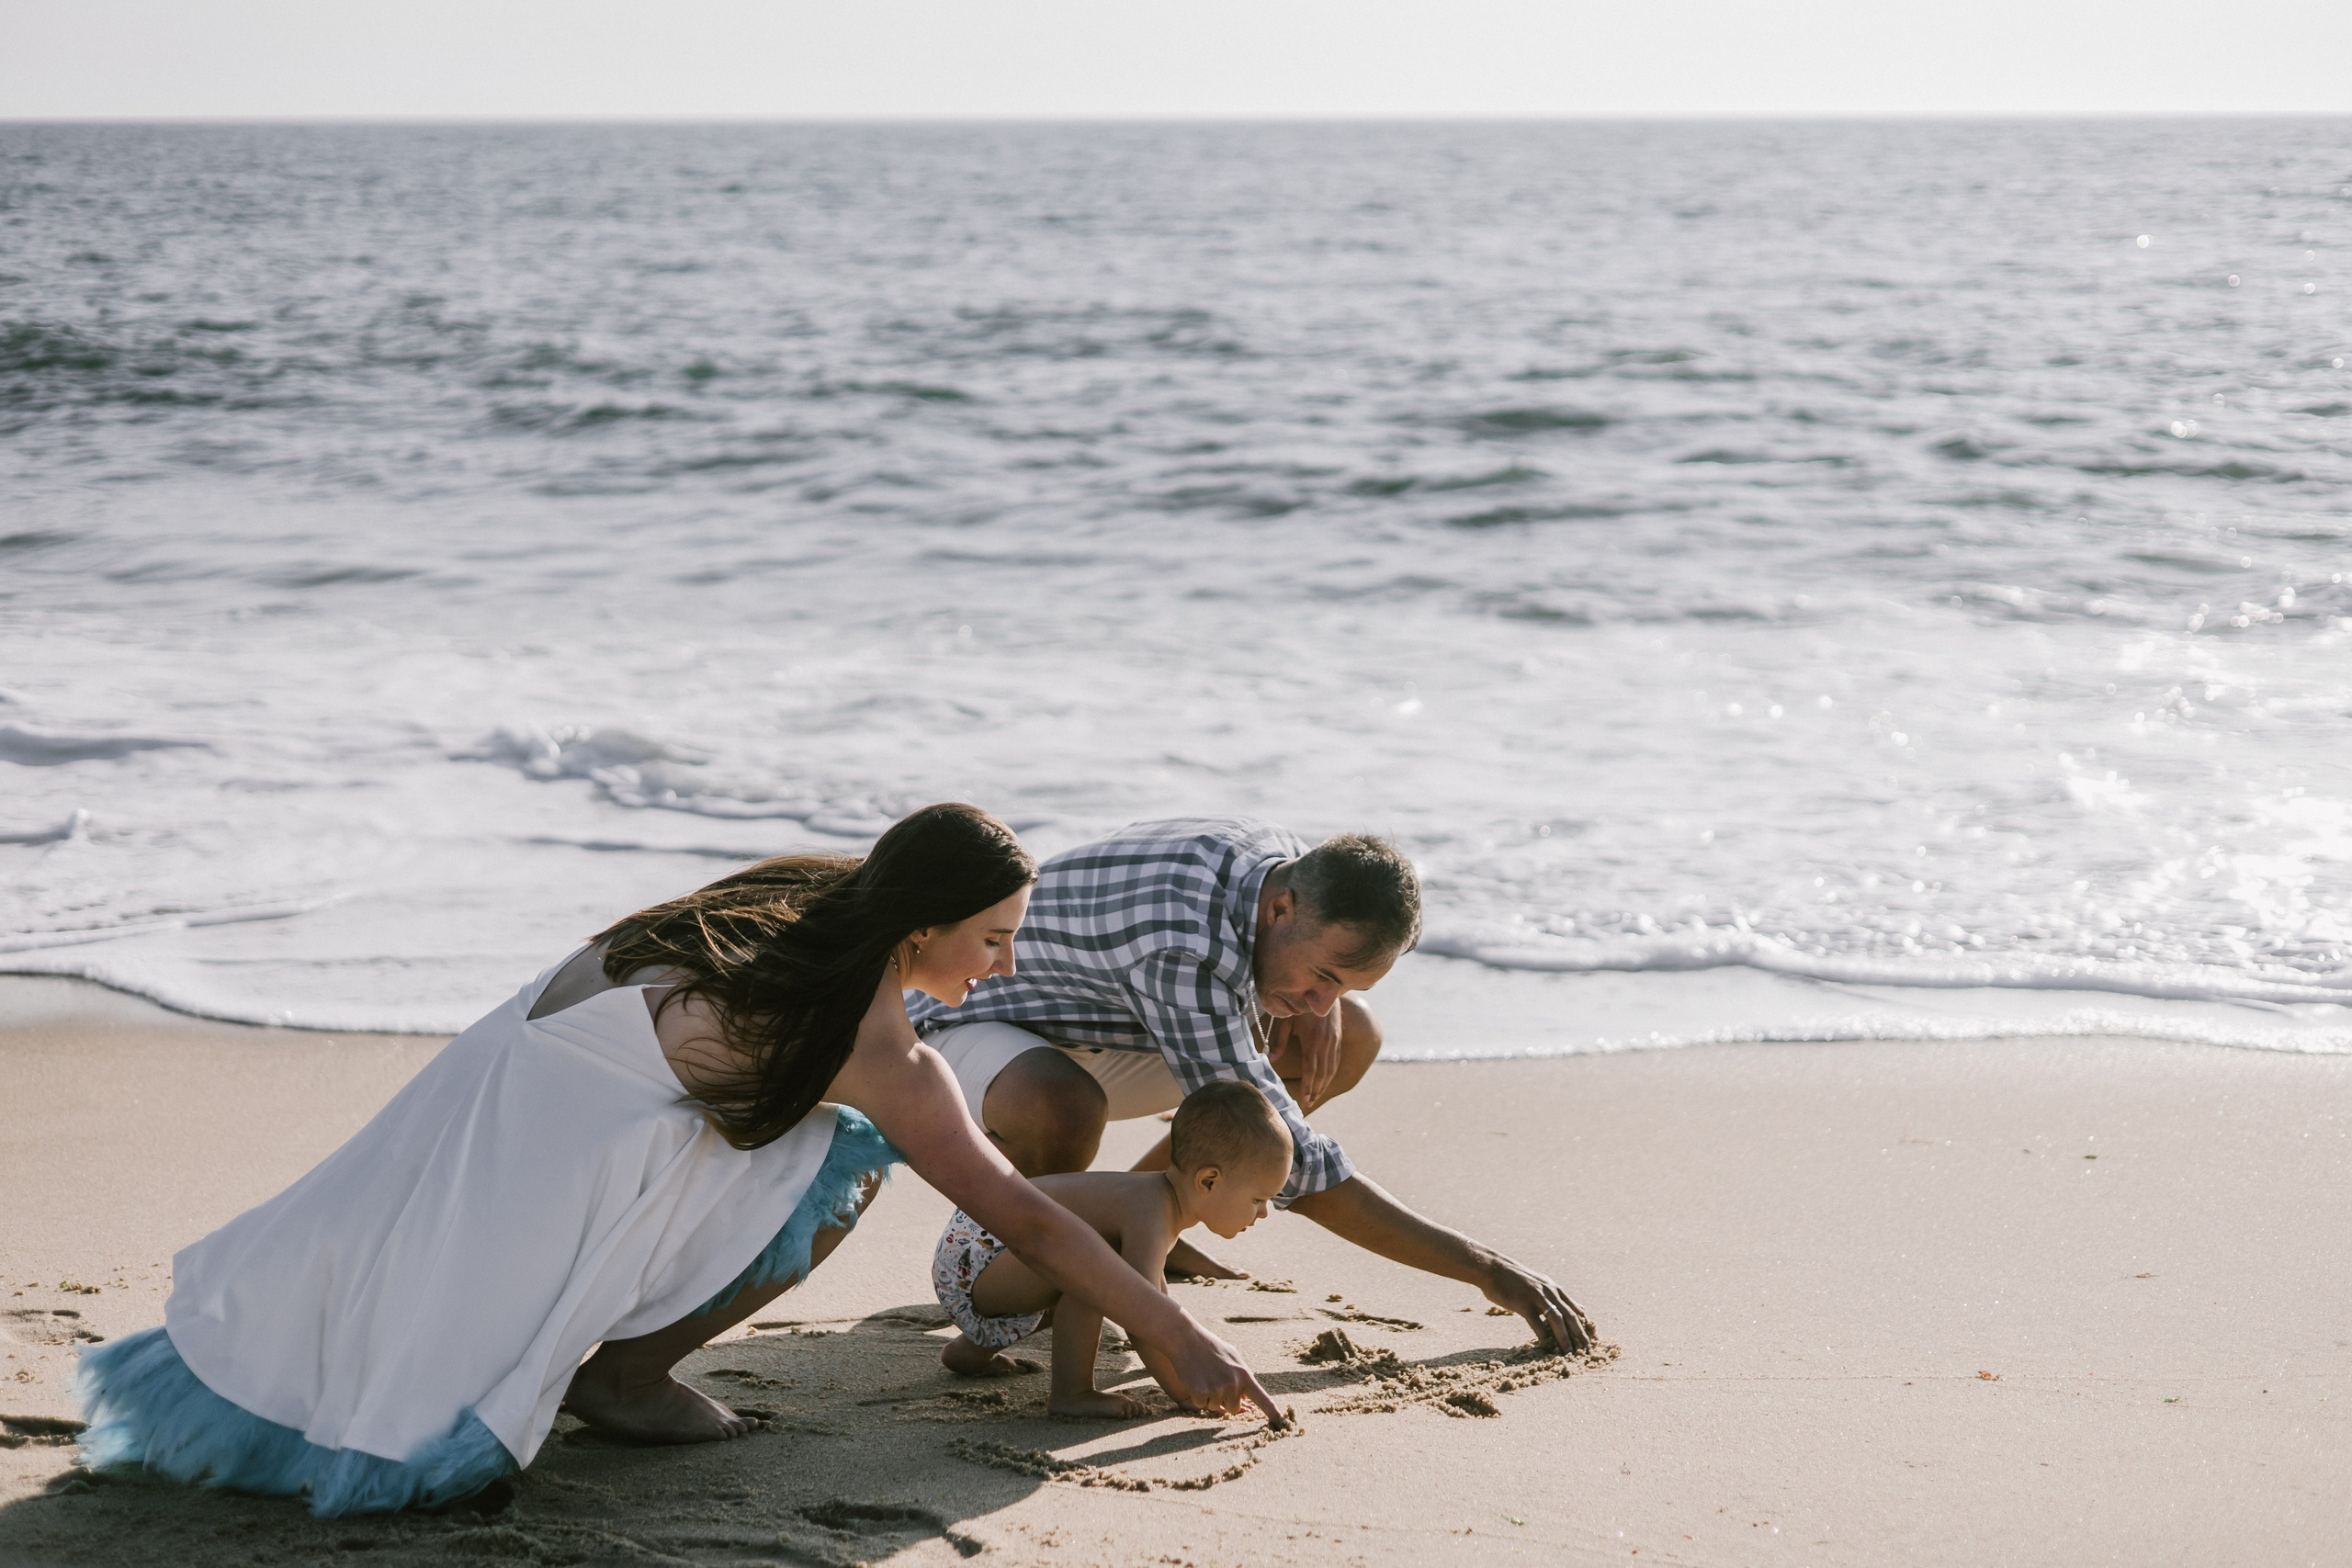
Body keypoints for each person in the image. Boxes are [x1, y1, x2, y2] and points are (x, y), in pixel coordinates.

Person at [74, 804, 1279, 1518]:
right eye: (994, 940)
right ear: (925, 929)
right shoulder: (885, 1049)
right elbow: (1016, 1207)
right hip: (555, 1130)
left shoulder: (809, 889)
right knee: (841, 1145)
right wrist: (1173, 1329)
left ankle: (596, 1355)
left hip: (509, 1062)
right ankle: (628, 1374)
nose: (1005, 967)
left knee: (394, 1270)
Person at [911, 816, 1597, 1368]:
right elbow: (1297, 1163)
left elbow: (1310, 963)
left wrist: (1324, 1002)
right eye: (1324, 972)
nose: (1320, 997)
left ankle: (1146, 1222)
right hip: (971, 1016)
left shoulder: (1286, 865)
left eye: (1344, 981)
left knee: (1347, 1034)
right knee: (1063, 1106)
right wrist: (1485, 1268)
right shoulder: (1185, 948)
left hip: (1113, 1021)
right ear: (1279, 906)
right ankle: (1014, 1283)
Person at [932, 1079, 1293, 1418]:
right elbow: (1142, 1315)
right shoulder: (1149, 1210)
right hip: (980, 1249)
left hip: (974, 1252)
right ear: (1208, 1181)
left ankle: (969, 1352)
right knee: (1100, 1279)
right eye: (1259, 1199)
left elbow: (1155, 1298)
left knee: (1097, 1272)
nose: (1263, 1213)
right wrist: (1183, 1392)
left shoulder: (1154, 1203)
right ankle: (1071, 1394)